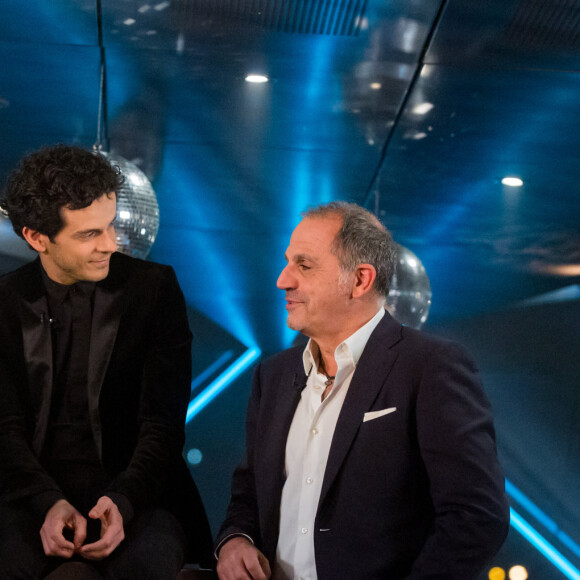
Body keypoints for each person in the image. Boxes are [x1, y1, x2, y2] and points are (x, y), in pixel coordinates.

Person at [215, 202, 510, 580]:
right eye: (288, 262)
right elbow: (248, 497)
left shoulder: (431, 366)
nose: (283, 280)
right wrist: (235, 540)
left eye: (304, 265)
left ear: (360, 280)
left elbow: (477, 515)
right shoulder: (272, 376)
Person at [0, 144, 213, 579]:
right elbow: (3, 426)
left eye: (110, 226)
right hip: (27, 495)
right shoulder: (4, 301)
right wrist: (46, 500)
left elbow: (163, 424)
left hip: (141, 494)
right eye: (88, 234)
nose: (111, 245)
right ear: (36, 238)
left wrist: (123, 499)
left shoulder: (155, 290)